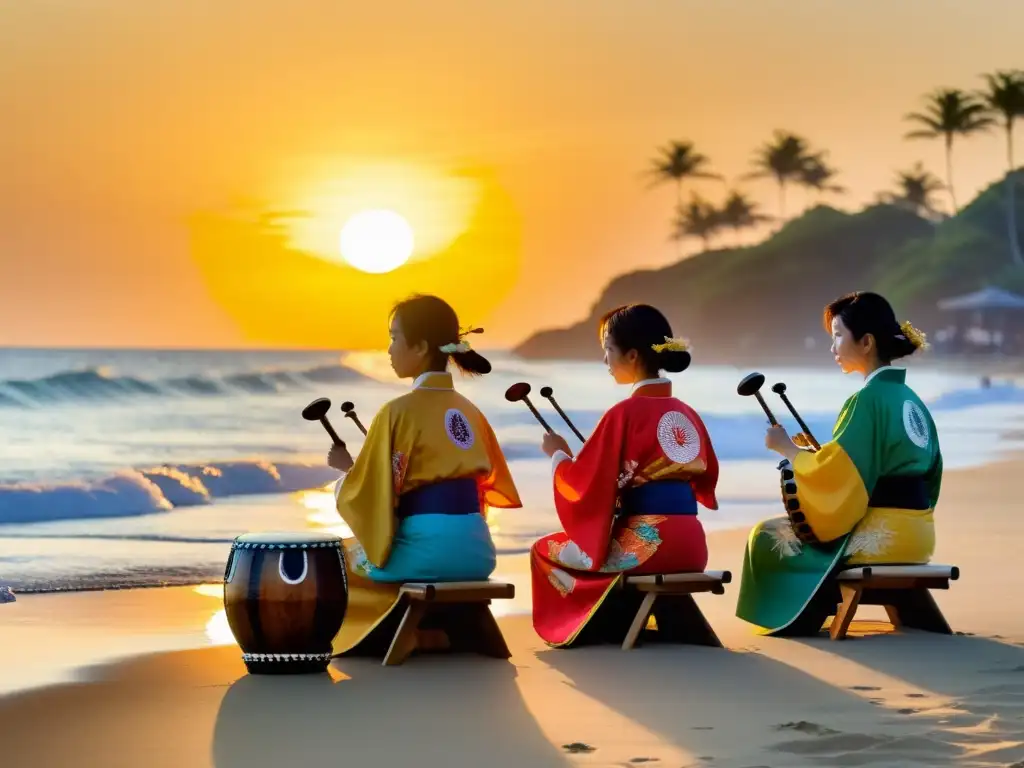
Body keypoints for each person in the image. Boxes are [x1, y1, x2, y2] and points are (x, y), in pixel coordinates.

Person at [735, 291, 942, 635]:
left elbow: (839, 474)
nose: (832, 348)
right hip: (920, 533)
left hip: (882, 537)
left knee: (766, 536)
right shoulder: (912, 400)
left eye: (837, 336)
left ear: (866, 343)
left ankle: (796, 617)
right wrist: (815, 457)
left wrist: (787, 449)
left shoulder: (866, 400)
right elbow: (929, 475)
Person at [326, 294, 521, 656]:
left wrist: (345, 473)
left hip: (429, 552)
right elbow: (482, 491)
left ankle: (401, 636)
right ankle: (443, 630)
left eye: (394, 336)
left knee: (344, 557)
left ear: (418, 346)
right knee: (402, 548)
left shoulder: (395, 411)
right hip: (478, 552)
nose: (388, 348)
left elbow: (374, 497)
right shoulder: (471, 412)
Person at [531, 303, 719, 647]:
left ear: (632, 355)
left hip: (649, 547)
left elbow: (581, 483)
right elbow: (705, 481)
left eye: (608, 350)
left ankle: (593, 624)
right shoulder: (687, 412)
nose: (605, 361)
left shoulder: (624, 413)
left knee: (545, 549)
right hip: (693, 545)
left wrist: (557, 455)